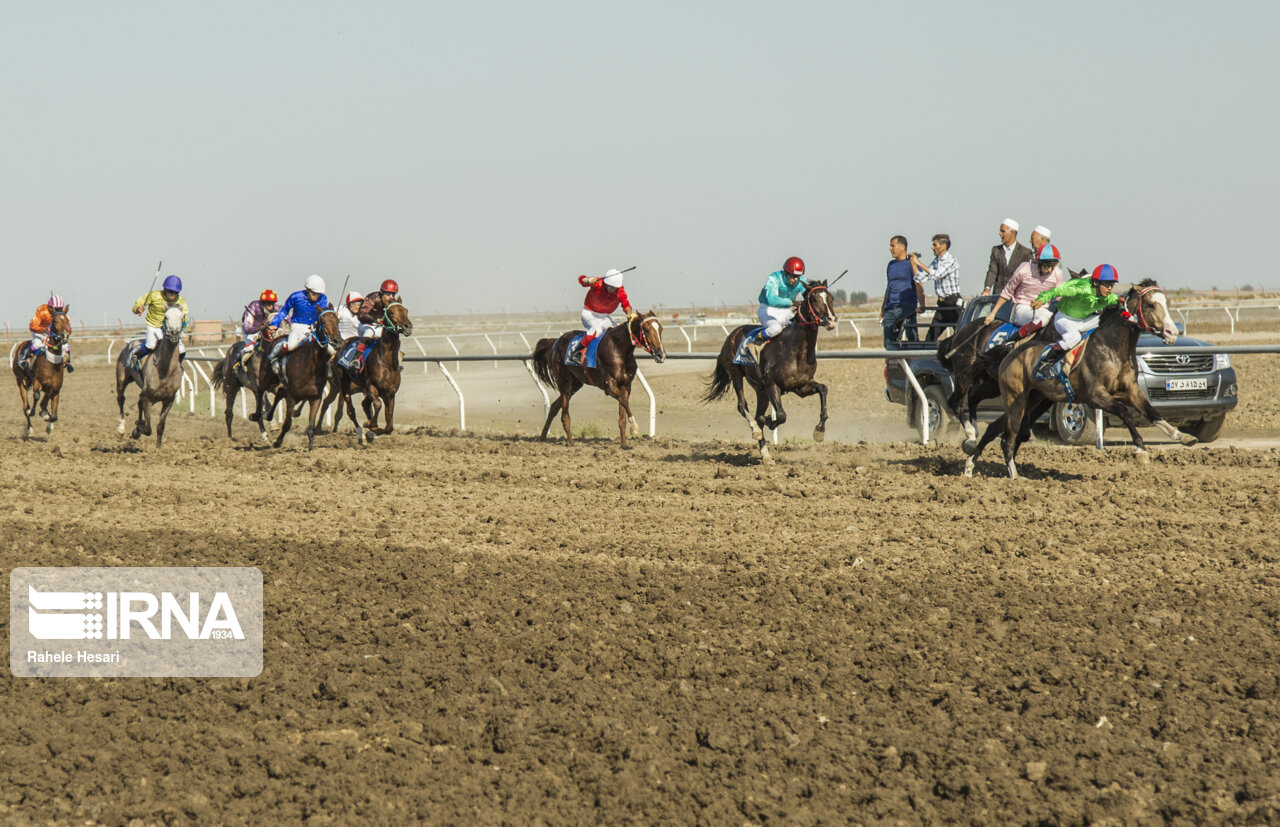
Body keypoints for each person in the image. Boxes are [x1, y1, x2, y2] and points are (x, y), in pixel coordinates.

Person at [1028, 263, 1122, 377]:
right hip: (1064, 319)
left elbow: (1119, 302)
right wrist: (1041, 300)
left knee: (1106, 321)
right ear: (1096, 283)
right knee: (1074, 337)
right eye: (1107, 285)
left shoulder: (1108, 297)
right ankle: (1045, 360)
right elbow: (1056, 291)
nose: (1110, 289)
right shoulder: (1081, 289)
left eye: (1112, 285)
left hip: (1083, 321)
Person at [744, 256, 808, 363]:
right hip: (768, 309)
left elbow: (809, 294)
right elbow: (772, 299)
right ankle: (754, 343)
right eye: (793, 276)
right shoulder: (774, 278)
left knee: (800, 328)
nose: (796, 279)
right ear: (786, 272)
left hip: (786, 311)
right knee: (776, 329)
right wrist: (793, 302)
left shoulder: (801, 280)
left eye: (798, 276)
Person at [264, 275, 331, 376]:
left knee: (330, 349)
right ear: (307, 290)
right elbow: (283, 311)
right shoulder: (295, 297)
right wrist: (275, 324)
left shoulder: (323, 299)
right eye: (314, 293)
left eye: (319, 294)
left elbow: (324, 315)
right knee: (291, 346)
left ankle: (328, 366)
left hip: (313, 328)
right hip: (297, 326)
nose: (317, 296)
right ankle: (274, 356)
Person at [986, 243, 1066, 327]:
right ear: (1039, 262)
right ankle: (1014, 338)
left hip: (1043, 309)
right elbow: (1007, 292)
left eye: (1052, 266)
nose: (1050, 270)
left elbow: (1060, 297)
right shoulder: (1024, 269)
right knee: (1043, 318)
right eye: (1046, 266)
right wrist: (992, 314)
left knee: (1054, 319)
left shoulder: (1057, 273)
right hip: (1023, 308)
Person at [573, 269, 635, 362]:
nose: (611, 289)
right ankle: (576, 352)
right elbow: (582, 280)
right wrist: (587, 281)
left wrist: (629, 313)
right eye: (609, 286)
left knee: (617, 331)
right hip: (589, 314)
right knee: (596, 330)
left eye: (613, 288)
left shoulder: (620, 291)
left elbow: (626, 305)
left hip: (604, 317)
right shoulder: (598, 283)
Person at [129, 275, 189, 369]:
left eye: (175, 292)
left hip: (171, 329)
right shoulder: (154, 295)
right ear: (164, 289)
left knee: (182, 351)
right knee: (151, 345)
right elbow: (138, 303)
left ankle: (178, 366)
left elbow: (184, 317)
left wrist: (182, 329)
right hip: (154, 326)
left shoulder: (181, 301)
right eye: (170, 291)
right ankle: (135, 355)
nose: (173, 294)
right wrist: (138, 309)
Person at [909, 234, 961, 342]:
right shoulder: (936, 261)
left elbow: (937, 274)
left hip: (953, 303)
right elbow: (921, 278)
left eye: (934, 245)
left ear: (943, 247)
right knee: (930, 338)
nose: (932, 248)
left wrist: (919, 263)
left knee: (961, 338)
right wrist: (914, 263)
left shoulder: (951, 260)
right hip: (942, 305)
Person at [880, 237, 925, 350]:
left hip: (907, 307)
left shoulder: (911, 263)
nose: (890, 249)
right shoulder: (891, 265)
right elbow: (889, 287)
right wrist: (883, 309)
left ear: (902, 247)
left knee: (912, 338)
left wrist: (922, 304)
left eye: (893, 246)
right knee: (889, 342)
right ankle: (895, 365)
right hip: (890, 308)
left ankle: (914, 364)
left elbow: (918, 284)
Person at [20, 295, 74, 374]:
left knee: (66, 347)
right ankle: (23, 359)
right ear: (50, 308)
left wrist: (67, 332)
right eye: (56, 309)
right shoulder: (41, 310)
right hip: (41, 333)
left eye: (60, 309)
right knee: (37, 344)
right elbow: (32, 325)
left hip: (55, 335)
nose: (59, 311)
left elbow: (69, 327)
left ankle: (68, 363)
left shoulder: (62, 312)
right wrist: (44, 329)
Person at [982, 219, 1033, 297]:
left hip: (1016, 298)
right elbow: (992, 271)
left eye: (1003, 231)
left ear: (1012, 232)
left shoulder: (1025, 253)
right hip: (998, 297)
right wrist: (987, 288)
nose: (1000, 234)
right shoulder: (996, 251)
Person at [236, 289, 279, 370]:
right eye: (269, 304)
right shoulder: (253, 306)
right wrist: (260, 328)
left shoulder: (276, 308)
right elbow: (247, 328)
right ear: (263, 303)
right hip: (251, 330)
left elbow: (287, 318)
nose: (271, 307)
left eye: (273, 303)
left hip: (266, 331)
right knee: (250, 348)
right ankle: (238, 363)